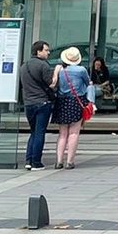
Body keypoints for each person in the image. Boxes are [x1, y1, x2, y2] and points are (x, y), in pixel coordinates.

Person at [51, 46, 91, 169]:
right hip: (76, 101)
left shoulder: (60, 70)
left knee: (62, 133)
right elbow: (88, 82)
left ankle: (59, 161)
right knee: (74, 133)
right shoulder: (81, 70)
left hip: (62, 101)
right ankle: (70, 161)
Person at [19, 40, 55, 169]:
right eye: (46, 50)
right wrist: (56, 74)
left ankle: (28, 161)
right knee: (40, 133)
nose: (48, 52)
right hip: (42, 102)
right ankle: (36, 162)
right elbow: (51, 84)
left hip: (29, 103)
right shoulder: (43, 66)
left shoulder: (24, 66)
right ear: (38, 51)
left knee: (33, 132)